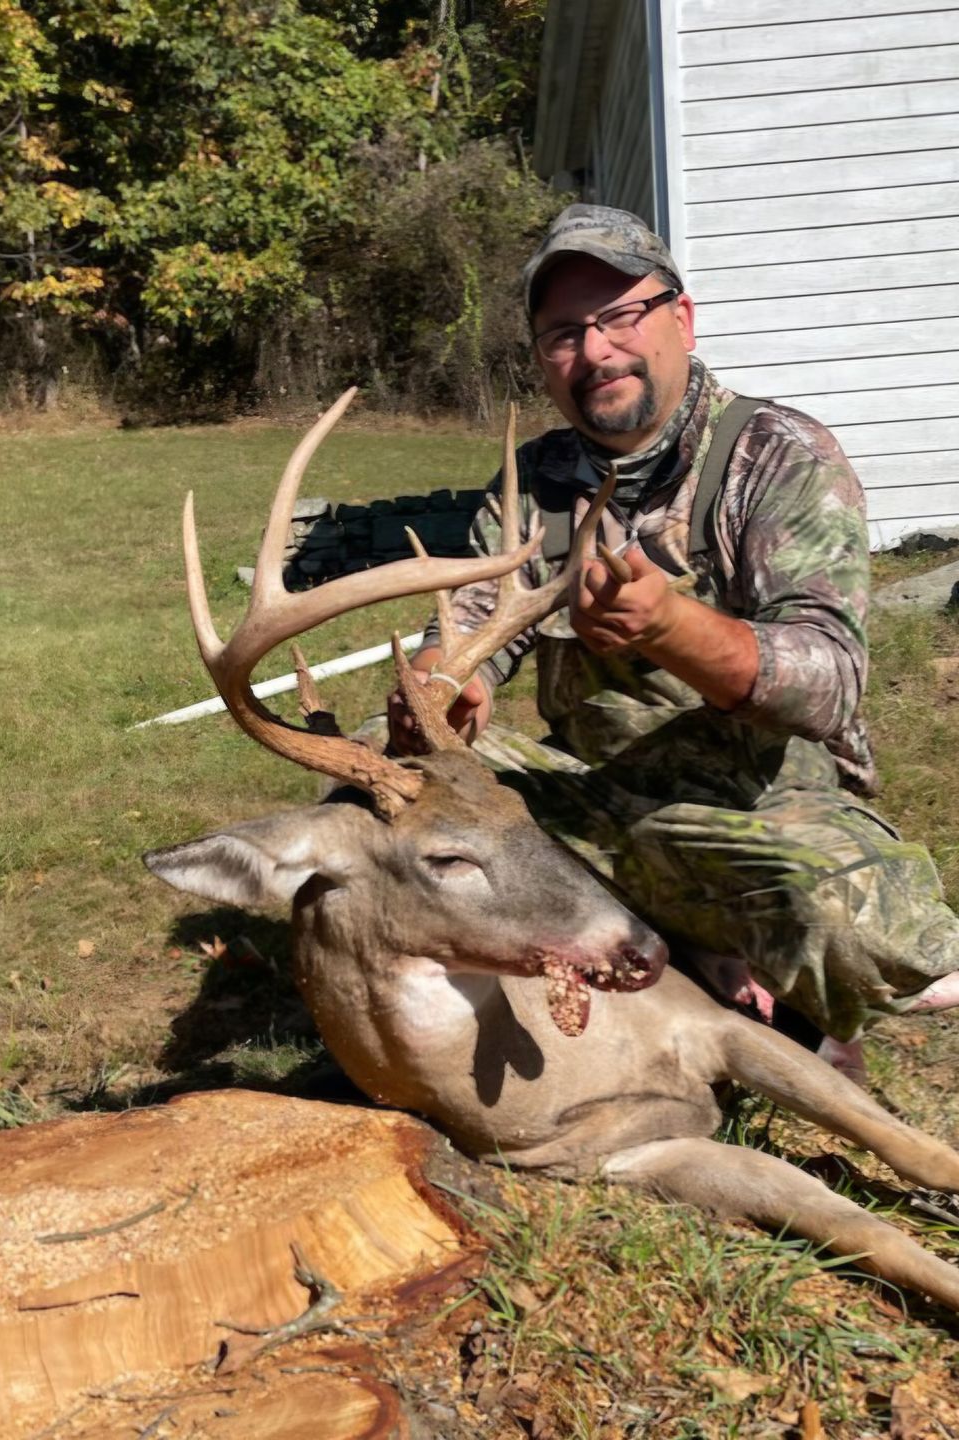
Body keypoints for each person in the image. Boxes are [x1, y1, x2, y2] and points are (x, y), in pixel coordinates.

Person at [388, 202, 959, 1063]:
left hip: (756, 810)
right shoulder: (535, 482)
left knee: (855, 929)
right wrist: (439, 683)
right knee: (380, 778)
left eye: (620, 316)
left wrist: (672, 625)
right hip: (589, 796)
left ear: (681, 319)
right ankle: (689, 952)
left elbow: (832, 679)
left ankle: (700, 950)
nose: (596, 351)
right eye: (563, 334)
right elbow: (469, 624)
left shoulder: (776, 456)